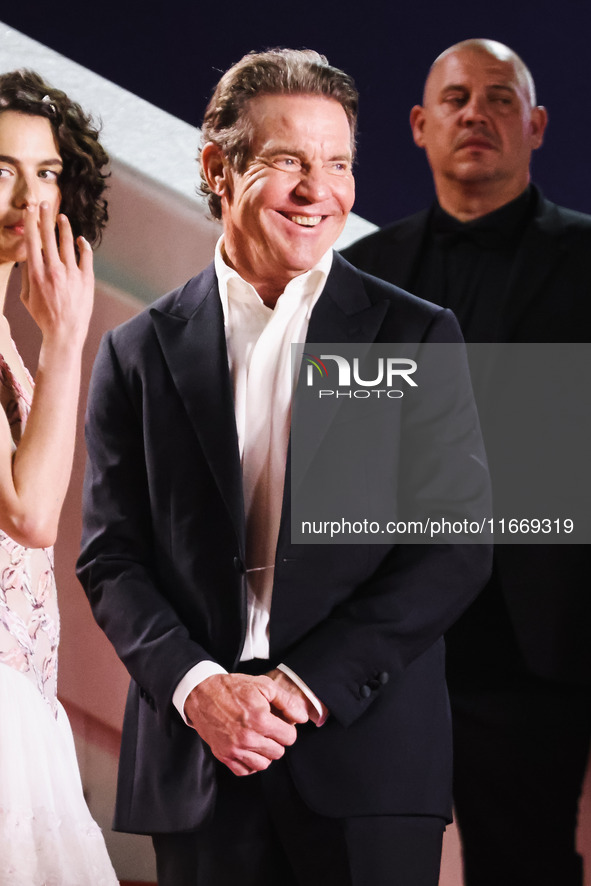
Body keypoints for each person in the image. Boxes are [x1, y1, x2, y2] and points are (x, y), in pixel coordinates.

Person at [77, 48, 491, 886]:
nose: (319, 190)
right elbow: (111, 557)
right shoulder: (133, 351)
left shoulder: (415, 334)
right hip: (198, 767)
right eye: (288, 162)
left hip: (366, 763)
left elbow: (454, 546)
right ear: (215, 168)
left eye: (338, 164)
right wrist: (199, 689)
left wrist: (299, 688)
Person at [342, 38, 591, 886]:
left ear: (536, 123)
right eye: (454, 99)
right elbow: (339, 457)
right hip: (389, 641)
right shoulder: (360, 273)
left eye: (498, 97)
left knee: (521, 866)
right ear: (419, 124)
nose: (475, 113)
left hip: (536, 646)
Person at [0, 70, 118, 885]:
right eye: (2, 166)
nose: (28, 193)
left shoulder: (11, 347)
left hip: (24, 704)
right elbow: (30, 515)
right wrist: (66, 339)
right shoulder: (39, 342)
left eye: (46, 172)